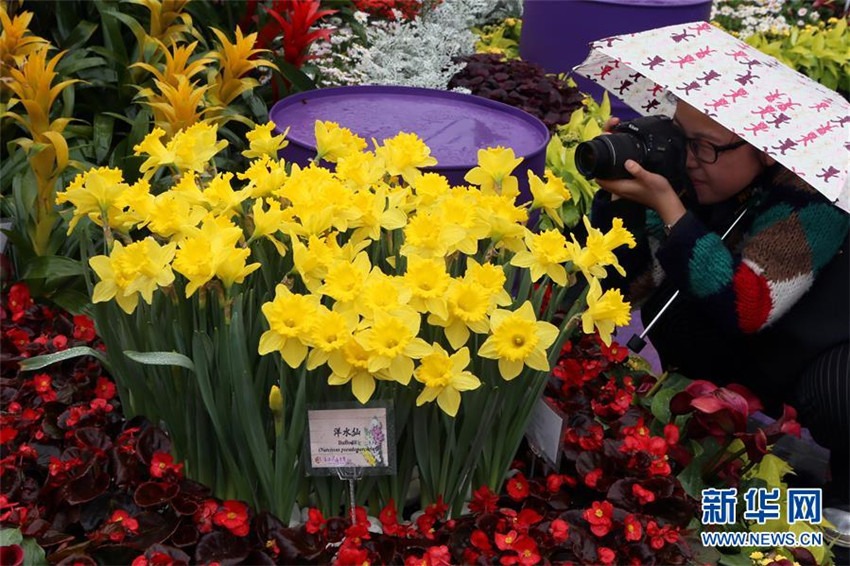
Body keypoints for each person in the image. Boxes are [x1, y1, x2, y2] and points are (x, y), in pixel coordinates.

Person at [590, 100, 850, 503]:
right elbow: (629, 286)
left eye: (704, 145)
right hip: (762, 338)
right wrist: (625, 197)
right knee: (678, 311)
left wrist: (671, 210)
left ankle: (839, 495)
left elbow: (748, 307)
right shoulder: (695, 170)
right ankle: (703, 436)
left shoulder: (816, 197)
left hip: (824, 341)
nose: (689, 159)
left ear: (763, 149)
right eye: (681, 136)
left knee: (837, 391)